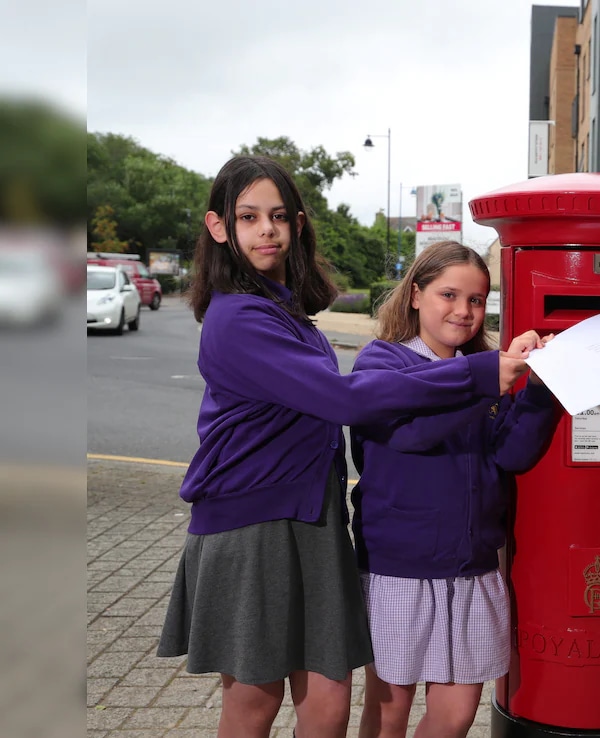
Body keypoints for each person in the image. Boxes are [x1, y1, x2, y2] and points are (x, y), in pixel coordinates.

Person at [157, 157, 532, 738]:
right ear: (219, 227)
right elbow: (345, 400)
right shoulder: (236, 319)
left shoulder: (288, 313)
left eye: (279, 216)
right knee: (255, 703)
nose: (267, 230)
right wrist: (481, 375)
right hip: (252, 520)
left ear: (298, 224)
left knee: (329, 705)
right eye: (249, 216)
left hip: (316, 517)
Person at [349, 240, 558, 738]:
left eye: (477, 300)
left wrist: (543, 387)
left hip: (471, 567)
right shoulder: (381, 364)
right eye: (449, 295)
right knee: (389, 711)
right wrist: (489, 379)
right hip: (400, 568)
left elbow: (513, 454)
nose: (464, 311)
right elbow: (411, 432)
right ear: (416, 294)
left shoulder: (487, 369)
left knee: (456, 714)